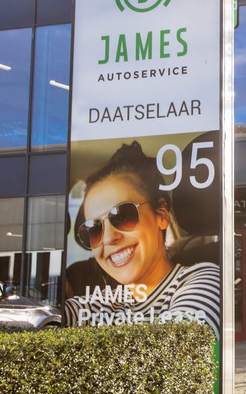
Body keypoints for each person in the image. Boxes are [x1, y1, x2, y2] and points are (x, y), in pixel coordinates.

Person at [64, 141, 220, 333]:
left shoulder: (203, 280)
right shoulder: (99, 303)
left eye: (123, 216)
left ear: (161, 215)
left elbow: (180, 344)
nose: (108, 238)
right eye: (95, 229)